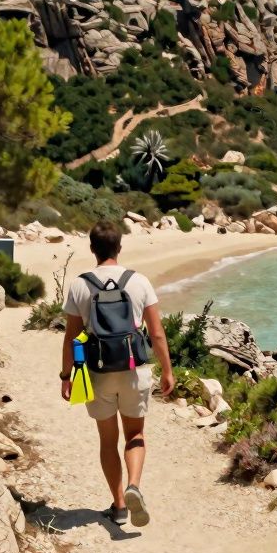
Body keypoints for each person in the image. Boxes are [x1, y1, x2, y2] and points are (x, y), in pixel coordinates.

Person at [59, 222, 174, 527]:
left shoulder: (80, 285)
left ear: (92, 249)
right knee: (135, 434)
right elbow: (157, 333)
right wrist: (167, 370)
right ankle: (134, 485)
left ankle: (120, 505)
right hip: (134, 370)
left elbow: (71, 337)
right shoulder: (139, 281)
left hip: (97, 372)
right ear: (119, 247)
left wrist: (66, 376)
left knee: (108, 440)